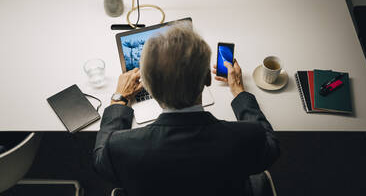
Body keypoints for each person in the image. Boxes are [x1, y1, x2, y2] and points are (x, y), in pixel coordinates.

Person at [93, 21, 280, 196]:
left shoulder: (120, 147)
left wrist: (120, 98)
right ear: (207, 78)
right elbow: (271, 146)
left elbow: (100, 159)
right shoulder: (247, 137)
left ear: (147, 86)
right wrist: (239, 92)